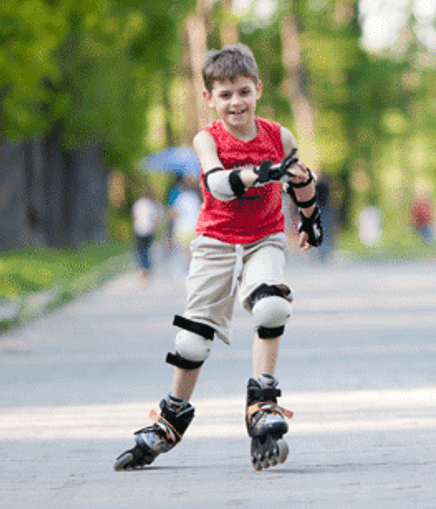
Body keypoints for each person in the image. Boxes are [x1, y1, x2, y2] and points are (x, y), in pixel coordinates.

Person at [115, 44, 325, 472]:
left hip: (264, 237)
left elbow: (299, 177)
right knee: (191, 340)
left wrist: (309, 215)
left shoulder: (279, 136)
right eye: (225, 94)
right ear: (210, 98)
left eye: (243, 92)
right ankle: (172, 415)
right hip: (215, 242)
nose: (236, 102)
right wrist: (259, 173)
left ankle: (262, 401)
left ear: (258, 90)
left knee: (271, 306)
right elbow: (217, 183)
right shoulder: (206, 138)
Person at [132, 186, 161, 284]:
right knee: (147, 250)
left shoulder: (138, 203)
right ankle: (147, 269)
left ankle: (143, 269)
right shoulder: (151, 204)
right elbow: (155, 218)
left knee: (140, 250)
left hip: (139, 229)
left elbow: (134, 216)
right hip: (149, 230)